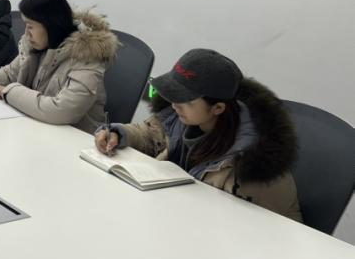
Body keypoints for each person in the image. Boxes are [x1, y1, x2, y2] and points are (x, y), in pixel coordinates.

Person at [93, 48, 301, 221]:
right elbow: (149, 134)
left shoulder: (250, 168)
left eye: (187, 100)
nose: (175, 105)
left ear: (218, 108)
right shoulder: (182, 117)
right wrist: (118, 134)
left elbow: (257, 227)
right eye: (174, 95)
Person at [0, 0, 117, 132]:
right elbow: (9, 74)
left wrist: (10, 91)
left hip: (78, 140)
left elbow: (62, 110)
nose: (26, 32)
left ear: (50, 25)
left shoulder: (87, 56)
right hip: (39, 129)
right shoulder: (36, 46)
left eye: (30, 26)